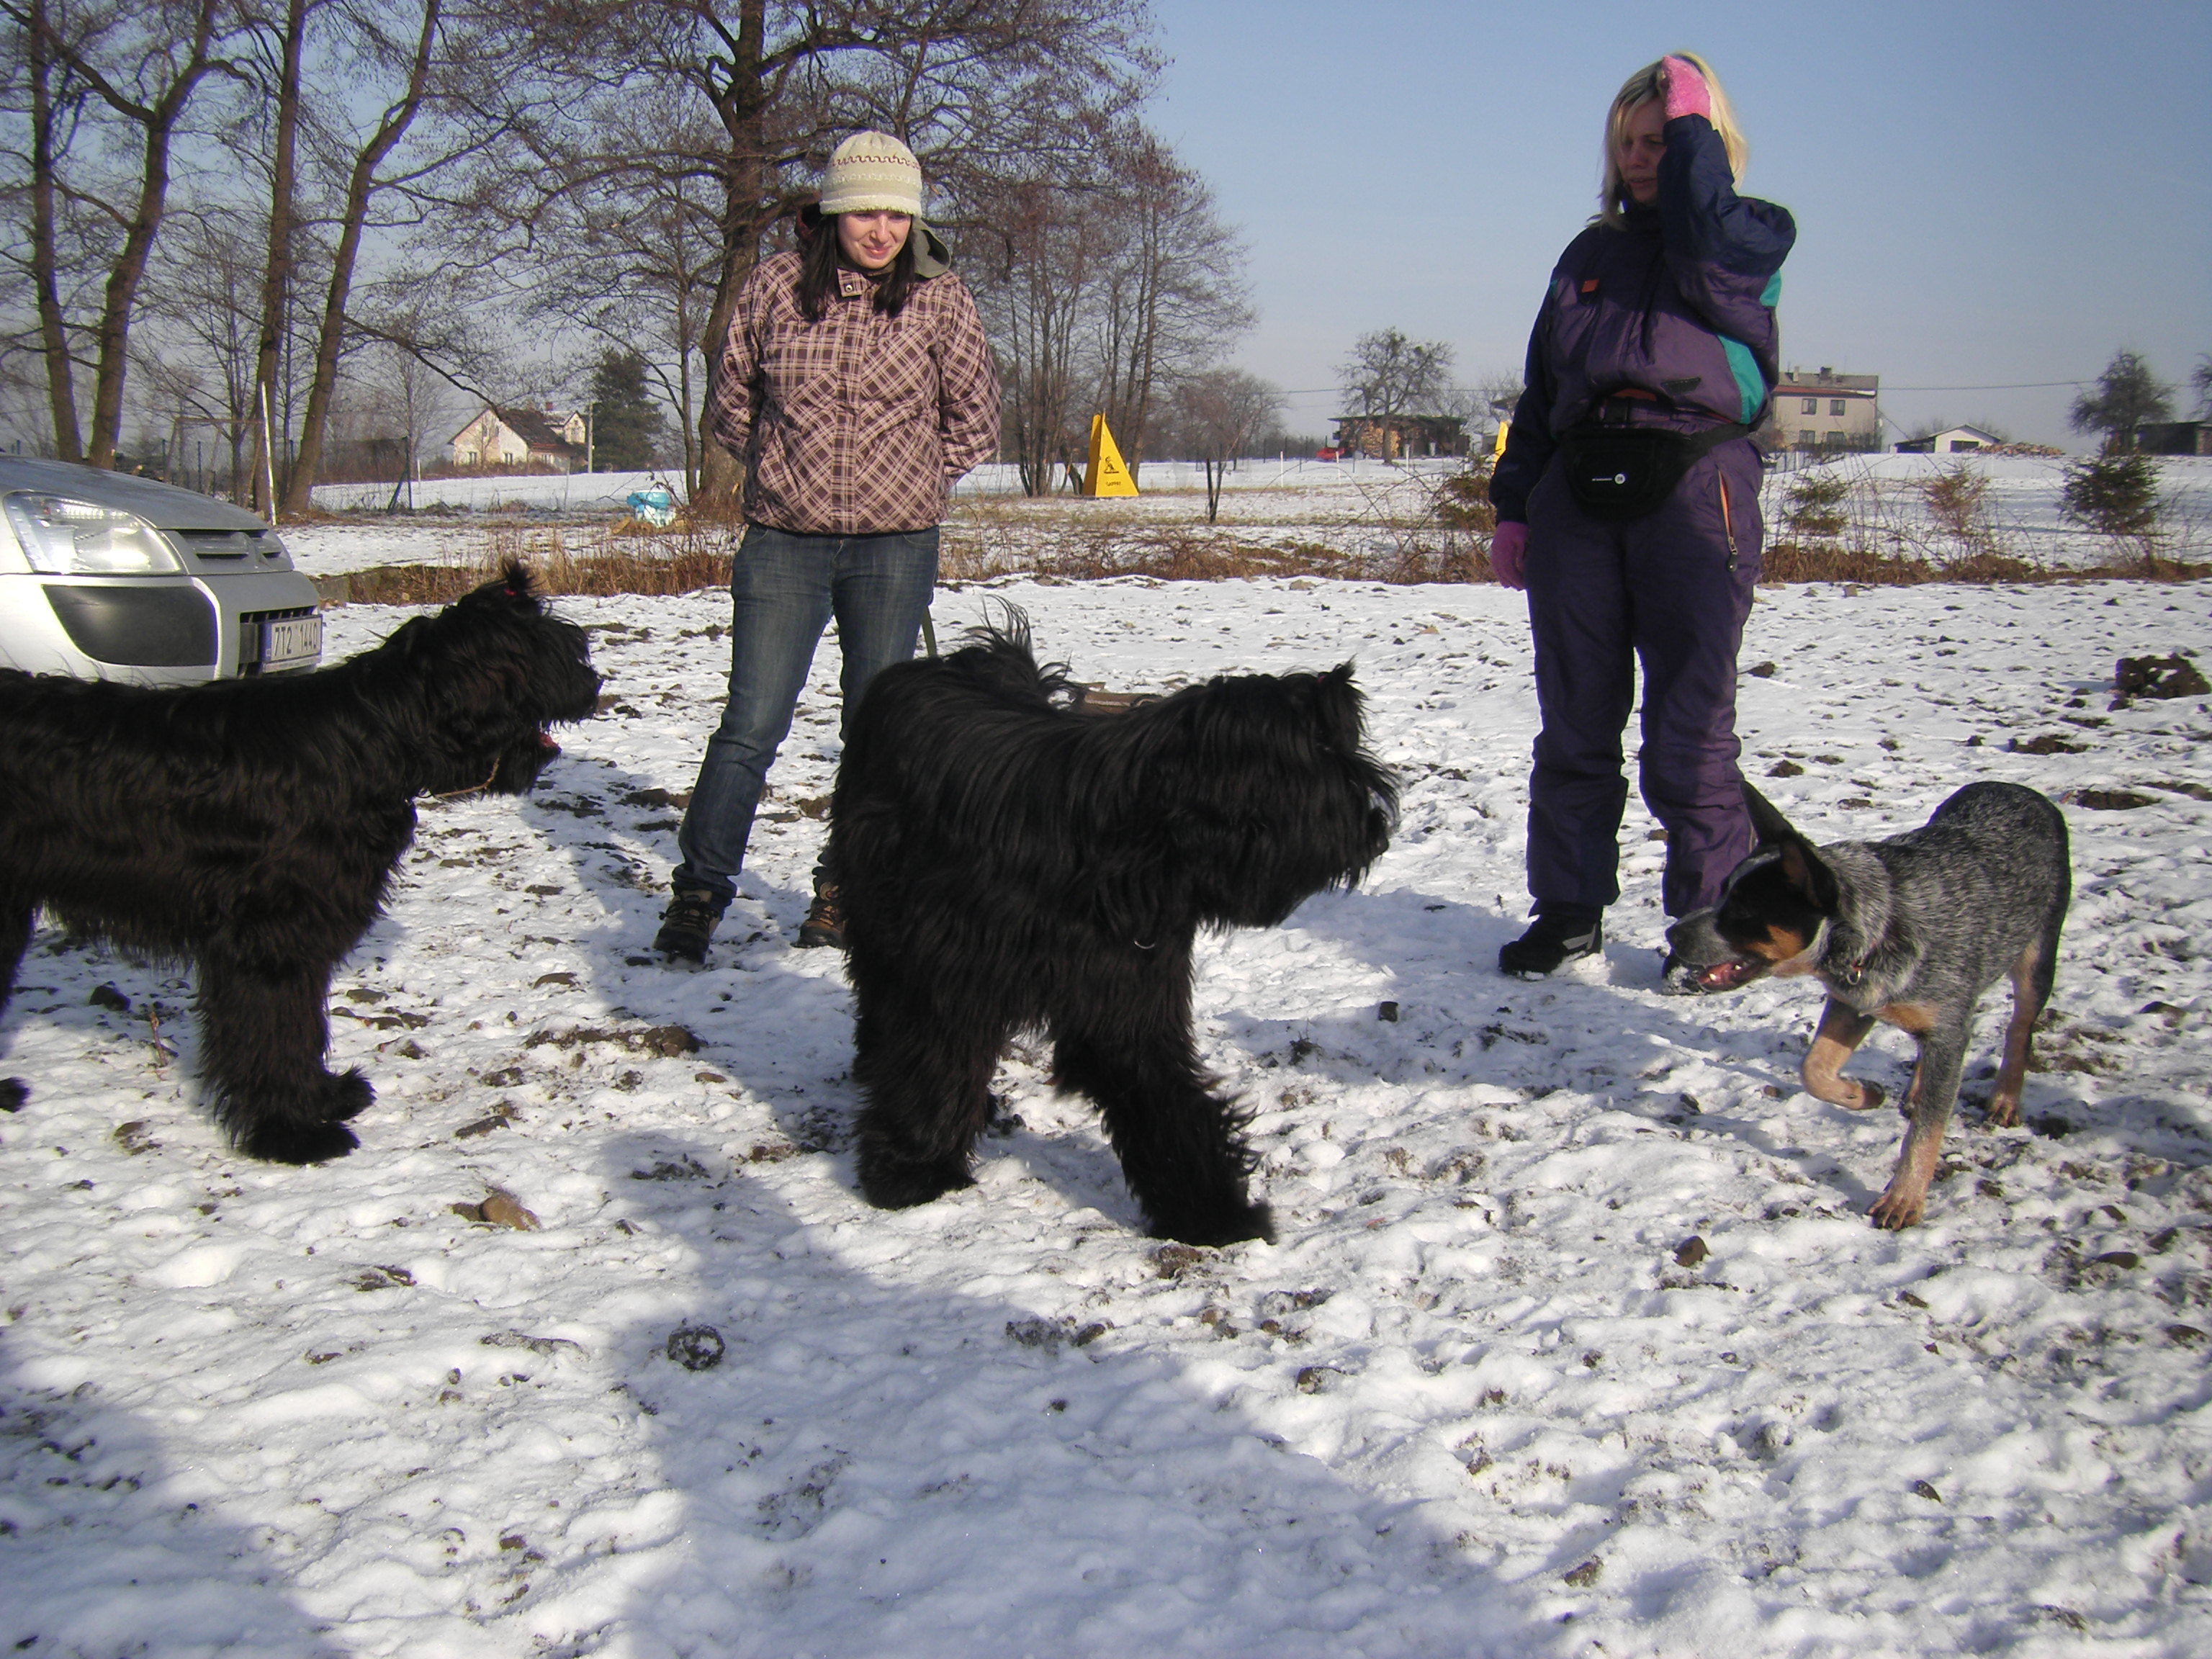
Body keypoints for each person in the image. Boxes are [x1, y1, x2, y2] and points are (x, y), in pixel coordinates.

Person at [655, 130, 1000, 963]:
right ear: (833, 212)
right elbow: (731, 402)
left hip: (894, 549)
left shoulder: (939, 297)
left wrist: (916, 480)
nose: (880, 230)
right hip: (784, 544)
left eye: (895, 214)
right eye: (863, 212)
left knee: (873, 729)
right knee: (750, 723)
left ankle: (844, 886)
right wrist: (781, 467)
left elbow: (978, 419)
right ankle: (700, 893)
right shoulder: (776, 285)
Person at [1487, 53, 1794, 979]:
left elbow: (1708, 229)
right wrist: (1515, 507)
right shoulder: (1587, 257)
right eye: (1627, 145)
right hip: (1578, 490)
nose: (1641, 160)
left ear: (1705, 138)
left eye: (1661, 140)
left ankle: (1711, 929)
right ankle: (1570, 910)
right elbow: (1543, 390)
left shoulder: (1747, 240)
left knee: (1690, 730)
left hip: (1698, 489)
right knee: (1575, 722)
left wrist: (1692, 124)